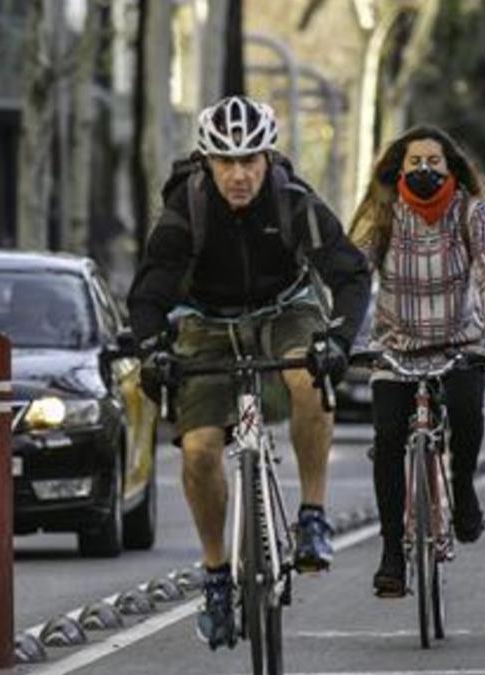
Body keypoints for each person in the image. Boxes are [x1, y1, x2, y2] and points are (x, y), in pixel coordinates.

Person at [127, 95, 370, 649]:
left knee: (309, 377)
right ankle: (216, 574)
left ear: (268, 158)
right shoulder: (185, 208)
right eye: (226, 163)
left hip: (285, 307)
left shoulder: (294, 203)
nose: (239, 175)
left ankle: (311, 515)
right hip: (206, 321)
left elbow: (351, 275)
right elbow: (149, 292)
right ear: (208, 164)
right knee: (200, 450)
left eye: (250, 161)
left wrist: (337, 339)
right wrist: (151, 349)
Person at [348, 126, 485, 598]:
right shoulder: (382, 212)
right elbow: (355, 277)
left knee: (467, 413)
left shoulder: (470, 211)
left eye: (434, 162)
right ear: (399, 168)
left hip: (458, 345)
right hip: (395, 347)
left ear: (451, 167)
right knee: (387, 439)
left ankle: (463, 491)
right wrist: (343, 337)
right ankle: (391, 554)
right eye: (414, 161)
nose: (424, 170)